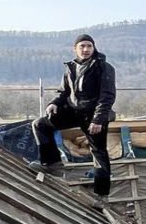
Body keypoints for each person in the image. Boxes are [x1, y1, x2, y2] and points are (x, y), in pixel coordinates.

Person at [30, 34, 116, 198]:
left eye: (89, 46)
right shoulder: (71, 67)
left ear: (94, 48)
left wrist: (98, 119)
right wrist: (54, 102)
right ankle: (52, 164)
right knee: (40, 124)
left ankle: (101, 195)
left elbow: (107, 96)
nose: (86, 49)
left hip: (94, 115)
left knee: (98, 152)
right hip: (74, 111)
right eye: (82, 46)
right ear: (75, 48)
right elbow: (64, 91)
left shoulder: (103, 67)